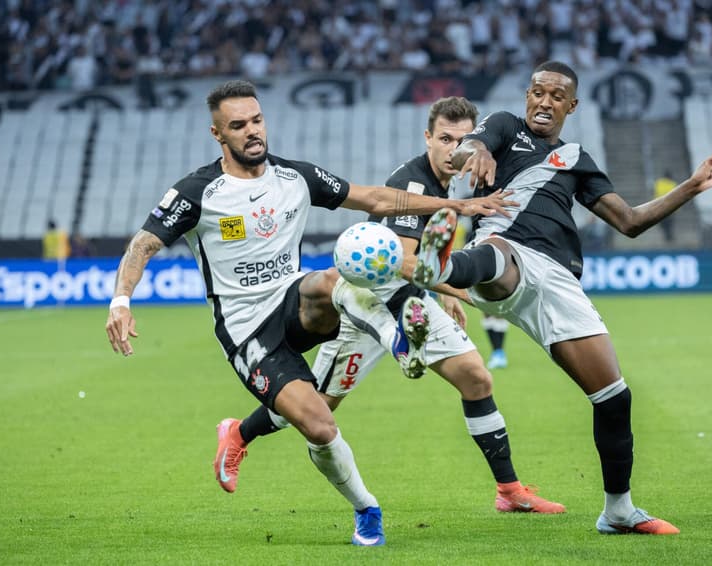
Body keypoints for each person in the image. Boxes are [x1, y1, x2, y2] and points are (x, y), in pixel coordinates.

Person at [104, 80, 512, 547]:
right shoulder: (198, 192)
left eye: (256, 120)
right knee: (319, 425)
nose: (252, 131)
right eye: (238, 126)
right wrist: (122, 300)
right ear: (218, 134)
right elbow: (143, 244)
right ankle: (366, 509)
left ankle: (401, 342)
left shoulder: (294, 177)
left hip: (295, 299)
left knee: (339, 272)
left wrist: (453, 204)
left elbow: (374, 199)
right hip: (247, 330)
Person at [412, 61, 712, 535]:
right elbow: (469, 149)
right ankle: (442, 266)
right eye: (537, 92)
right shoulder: (504, 127)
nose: (544, 102)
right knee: (497, 252)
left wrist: (690, 186)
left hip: (559, 282)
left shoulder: (577, 159)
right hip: (503, 254)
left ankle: (619, 510)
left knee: (614, 397)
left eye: (556, 96)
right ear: (527, 96)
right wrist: (472, 152)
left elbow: (629, 221)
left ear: (572, 106)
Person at [214, 96, 564, 515]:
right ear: (427, 138)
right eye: (445, 139)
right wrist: (460, 289)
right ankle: (238, 433)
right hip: (366, 304)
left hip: (410, 301)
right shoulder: (413, 184)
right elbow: (400, 259)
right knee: (316, 408)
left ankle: (509, 491)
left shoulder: (449, 185)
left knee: (476, 378)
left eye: (463, 140)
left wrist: (437, 293)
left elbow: (424, 265)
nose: (455, 150)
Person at [653, 170, 677, 243]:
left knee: (663, 222)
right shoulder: (673, 183)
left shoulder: (658, 182)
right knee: (669, 222)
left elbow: (656, 193)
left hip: (660, 205)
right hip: (669, 206)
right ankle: (668, 235)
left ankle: (667, 235)